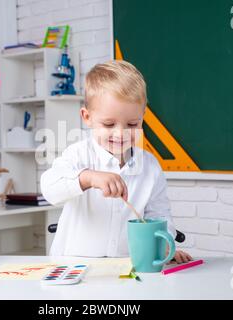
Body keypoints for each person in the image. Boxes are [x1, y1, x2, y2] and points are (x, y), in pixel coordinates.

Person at [41, 60, 192, 263]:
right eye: (109, 124)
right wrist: (87, 178)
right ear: (87, 117)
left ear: (142, 117)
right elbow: (50, 188)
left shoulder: (150, 166)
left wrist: (165, 245)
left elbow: (159, 214)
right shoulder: (78, 155)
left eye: (132, 124)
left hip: (127, 265)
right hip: (73, 264)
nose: (121, 133)